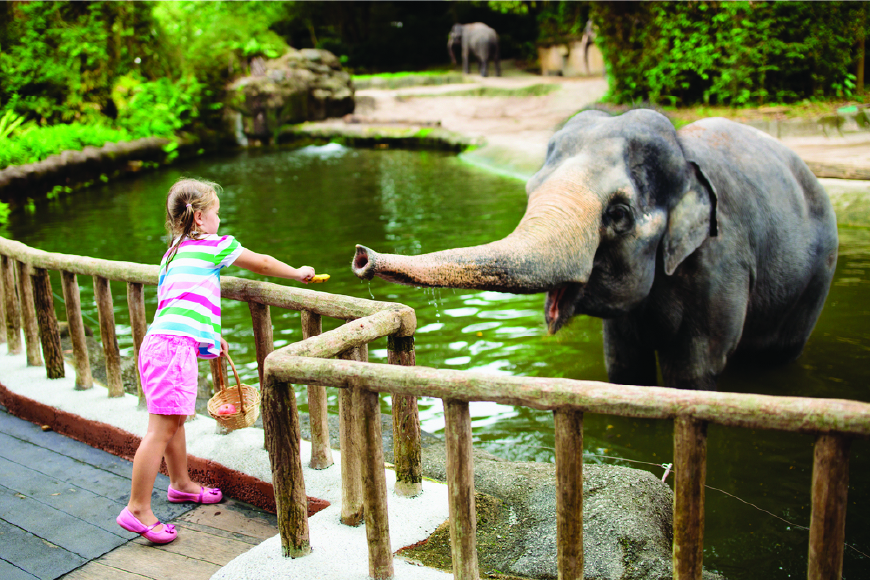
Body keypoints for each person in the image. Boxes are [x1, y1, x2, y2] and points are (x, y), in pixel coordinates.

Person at [116, 178, 316, 543]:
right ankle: (137, 509)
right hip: (172, 350)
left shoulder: (173, 252)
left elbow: (179, 302)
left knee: (173, 421)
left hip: (159, 344)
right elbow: (264, 263)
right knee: (159, 430)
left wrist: (209, 334)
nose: (219, 221)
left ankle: (180, 484)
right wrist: (297, 272)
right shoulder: (213, 245)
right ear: (199, 218)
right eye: (216, 214)